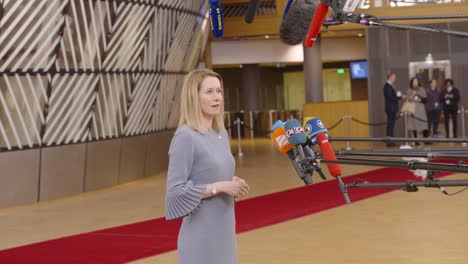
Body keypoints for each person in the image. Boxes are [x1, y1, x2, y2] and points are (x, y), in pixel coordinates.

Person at [165, 69, 250, 264]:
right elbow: (174, 192)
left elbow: (212, 173)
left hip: (225, 232)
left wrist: (231, 182)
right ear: (194, 97)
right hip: (201, 236)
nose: (217, 98)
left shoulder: (220, 134)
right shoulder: (185, 137)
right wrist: (219, 187)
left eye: (219, 91)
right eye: (209, 92)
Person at [405, 77, 427, 146]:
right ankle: (415, 140)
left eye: (416, 81)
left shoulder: (422, 89)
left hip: (420, 109)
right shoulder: (409, 90)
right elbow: (408, 100)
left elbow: (425, 99)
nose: (415, 82)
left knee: (423, 124)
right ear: (412, 82)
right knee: (413, 125)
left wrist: (418, 94)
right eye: (414, 81)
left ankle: (425, 140)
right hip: (413, 109)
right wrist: (412, 95)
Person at [383, 72, 403, 146]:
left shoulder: (390, 86)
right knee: (390, 125)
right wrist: (400, 97)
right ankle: (389, 141)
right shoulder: (387, 86)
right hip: (390, 108)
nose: (395, 79)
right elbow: (391, 97)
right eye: (394, 77)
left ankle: (390, 139)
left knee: (391, 125)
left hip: (391, 108)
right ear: (390, 77)